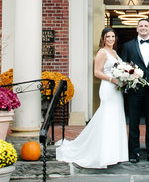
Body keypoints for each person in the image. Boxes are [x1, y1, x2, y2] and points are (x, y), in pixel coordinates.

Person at [55, 27, 129, 168]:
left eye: (113, 36)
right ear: (103, 38)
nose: (111, 39)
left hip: (117, 90)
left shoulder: (114, 52)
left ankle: (116, 153)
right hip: (108, 88)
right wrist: (113, 80)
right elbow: (97, 72)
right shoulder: (102, 52)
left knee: (115, 118)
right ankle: (105, 154)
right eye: (108, 36)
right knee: (107, 117)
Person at [120, 18, 149, 163]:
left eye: (146, 26)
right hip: (135, 90)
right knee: (133, 122)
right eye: (141, 26)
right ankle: (133, 153)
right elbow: (123, 67)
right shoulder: (128, 46)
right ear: (137, 29)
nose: (143, 28)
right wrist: (127, 84)